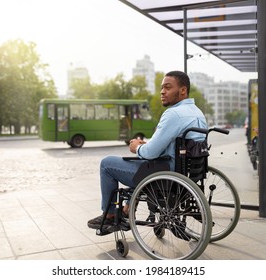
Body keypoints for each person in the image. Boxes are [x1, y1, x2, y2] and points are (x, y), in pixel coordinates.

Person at [87, 70, 208, 229]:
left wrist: (137, 147)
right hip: (187, 173)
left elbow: (151, 153)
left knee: (107, 164)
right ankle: (127, 209)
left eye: (167, 87)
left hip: (163, 175)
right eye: (161, 88)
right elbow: (171, 144)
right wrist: (147, 145)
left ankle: (110, 214)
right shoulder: (197, 113)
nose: (162, 92)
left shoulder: (173, 114)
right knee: (139, 162)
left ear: (183, 90)